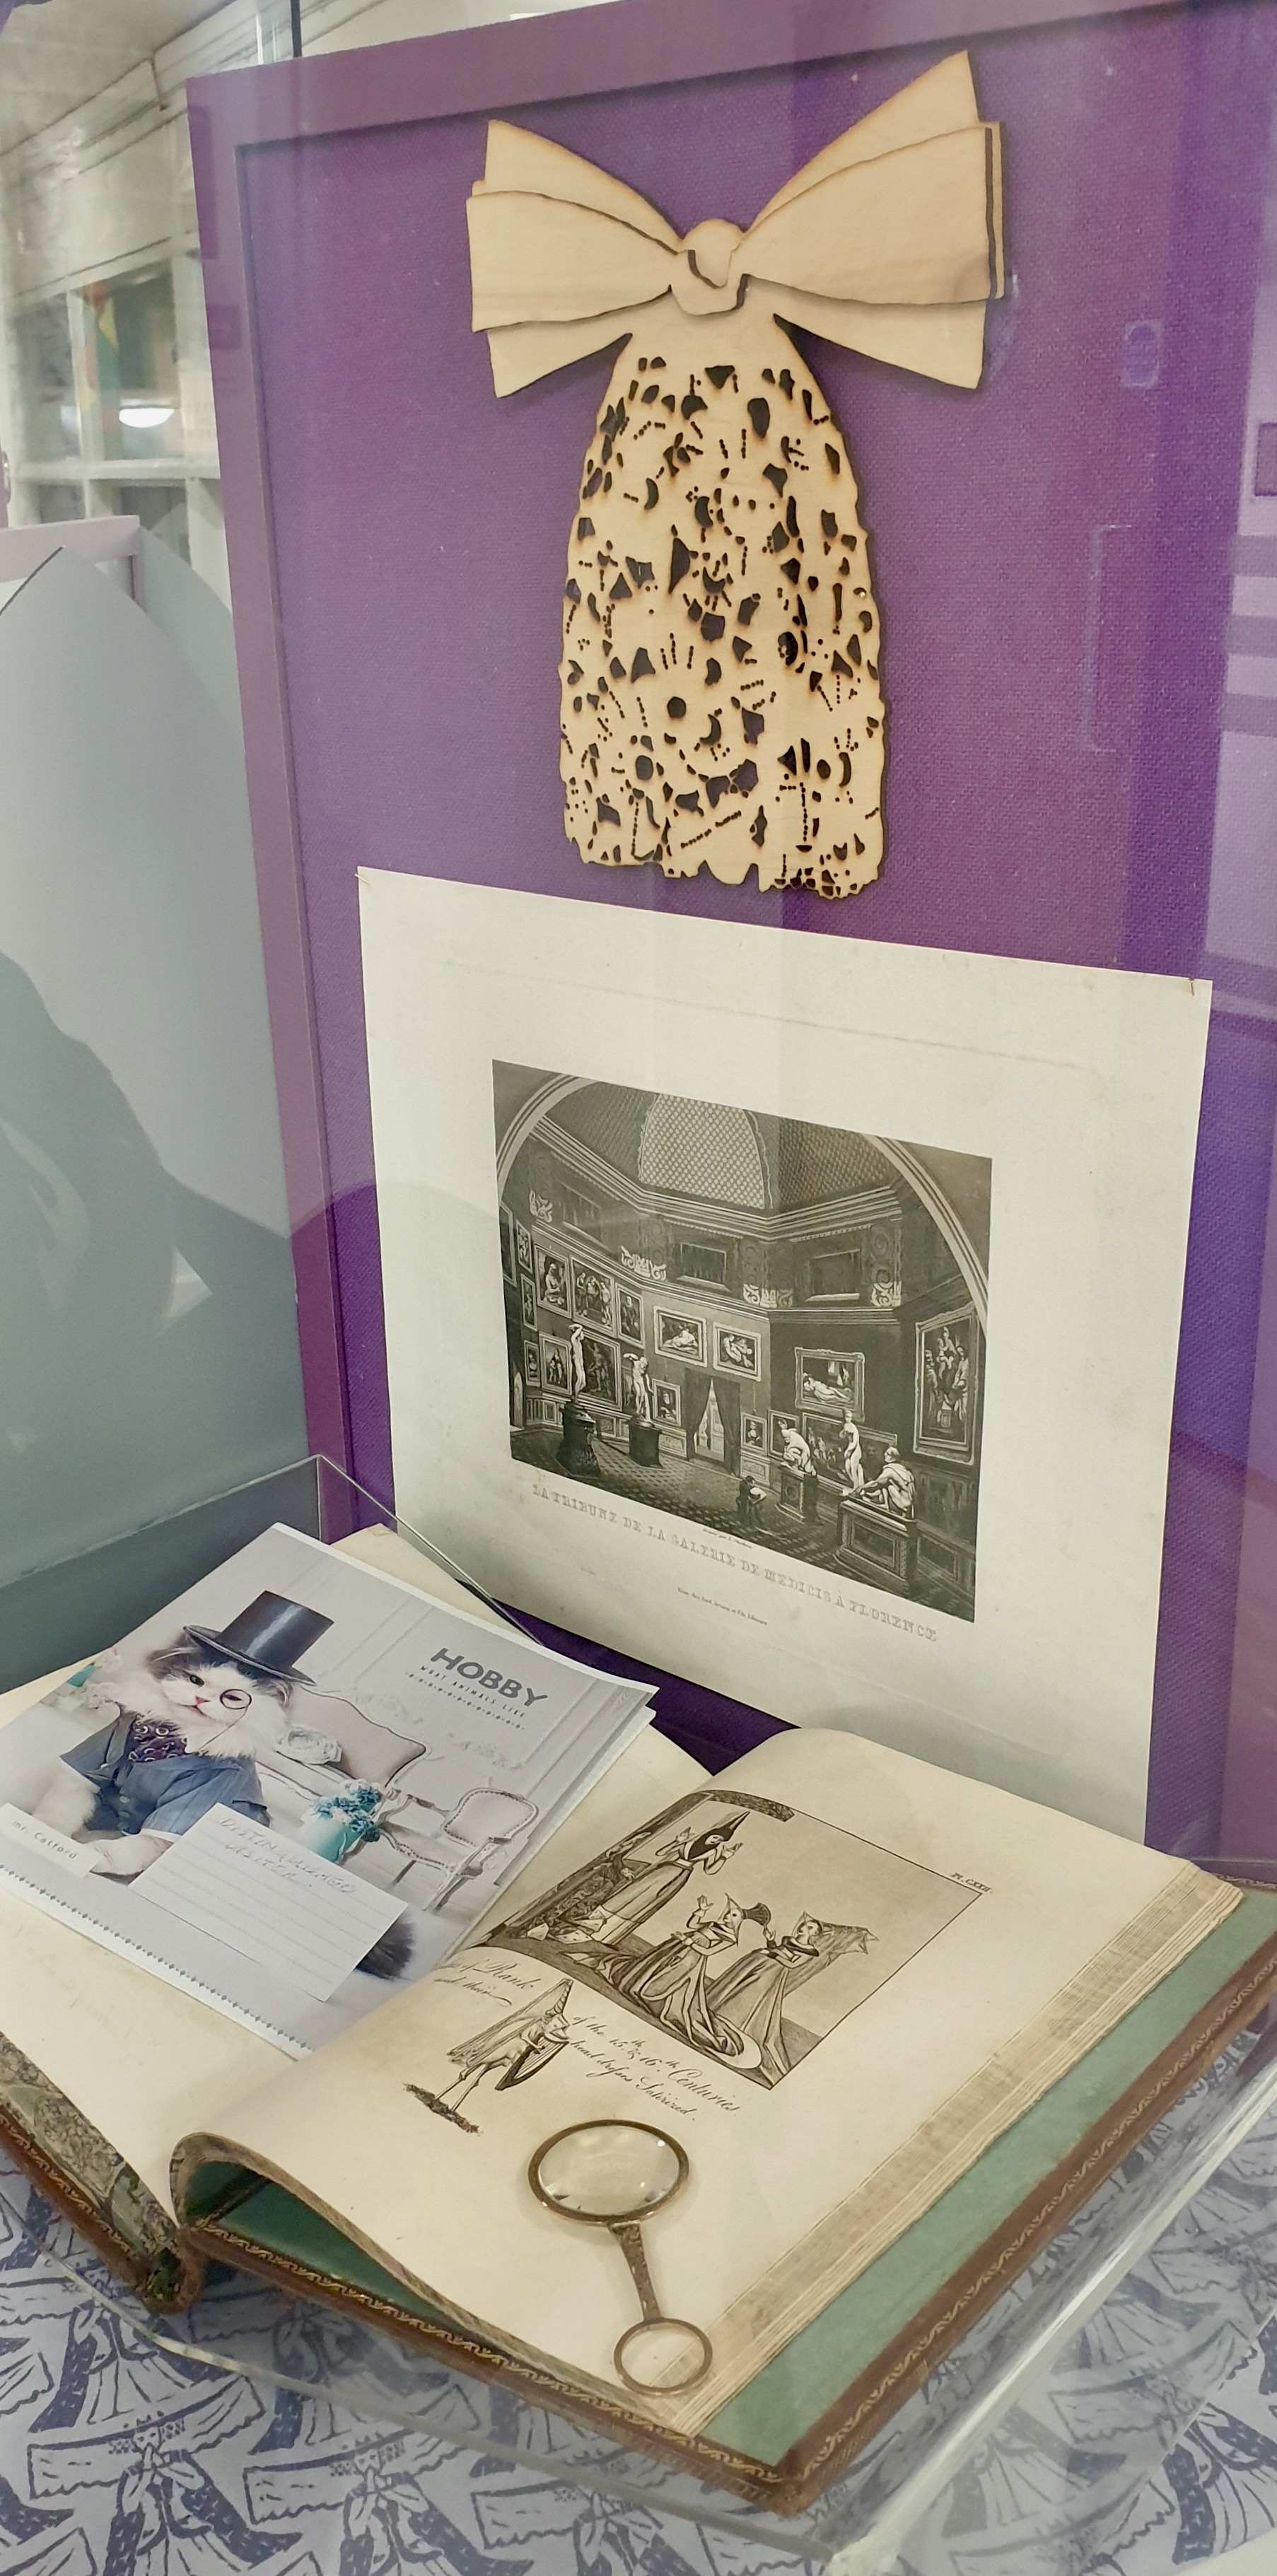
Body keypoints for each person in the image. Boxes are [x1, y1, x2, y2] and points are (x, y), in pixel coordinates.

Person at [35, 1593, 339, 1879]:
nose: (202, 1699)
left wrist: (104, 1856)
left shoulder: (224, 1771)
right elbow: (75, 1779)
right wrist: (48, 1828)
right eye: (195, 1680)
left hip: (179, 1844)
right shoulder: (130, 1724)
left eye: (232, 1698)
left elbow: (161, 1842)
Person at [557, 1815, 746, 1950]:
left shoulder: (713, 1852)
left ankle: (607, 1935)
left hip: (677, 1876)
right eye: (716, 1837)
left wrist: (725, 1857)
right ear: (711, 1833)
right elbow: (661, 1853)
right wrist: (677, 1841)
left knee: (642, 1904)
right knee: (626, 1896)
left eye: (720, 1840)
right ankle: (589, 1924)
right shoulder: (690, 1842)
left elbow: (710, 1870)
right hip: (662, 1870)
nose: (716, 1841)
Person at [610, 1895, 747, 2054]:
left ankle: (651, 1996)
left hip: (691, 1958)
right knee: (659, 1967)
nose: (727, 1915)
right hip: (679, 1947)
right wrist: (701, 1911)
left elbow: (708, 1951)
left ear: (739, 1921)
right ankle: (640, 1986)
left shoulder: (730, 1938)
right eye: (729, 1912)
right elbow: (692, 1925)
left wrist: (689, 1943)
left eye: (733, 1915)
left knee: (671, 1977)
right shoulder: (712, 1924)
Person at [862, 1445, 916, 1517]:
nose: (885, 1454)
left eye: (887, 1454)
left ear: (893, 1458)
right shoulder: (902, 1469)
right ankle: (881, 1502)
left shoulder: (890, 1470)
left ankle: (886, 1505)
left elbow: (876, 1483)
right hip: (909, 1504)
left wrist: (861, 1488)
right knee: (886, 1483)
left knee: (886, 1483)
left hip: (903, 1503)